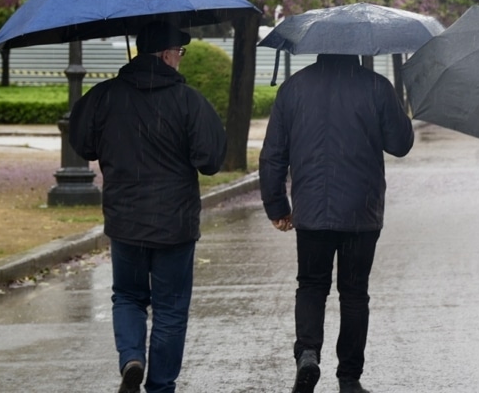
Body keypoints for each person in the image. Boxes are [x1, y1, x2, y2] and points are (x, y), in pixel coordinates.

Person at [69, 21, 227, 393]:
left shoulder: (104, 96)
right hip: (175, 224)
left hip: (125, 221)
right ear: (168, 55)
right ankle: (160, 385)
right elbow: (210, 160)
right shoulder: (189, 101)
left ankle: (131, 358)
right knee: (170, 308)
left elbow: (83, 143)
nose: (180, 61)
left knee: (127, 295)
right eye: (180, 53)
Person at [260, 53, 415, 393]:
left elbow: (273, 153)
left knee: (312, 284)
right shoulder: (377, 86)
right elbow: (401, 144)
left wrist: (276, 205)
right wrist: (398, 101)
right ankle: (349, 378)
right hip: (362, 210)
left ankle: (308, 352)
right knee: (355, 293)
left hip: (312, 211)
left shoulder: (293, 88)